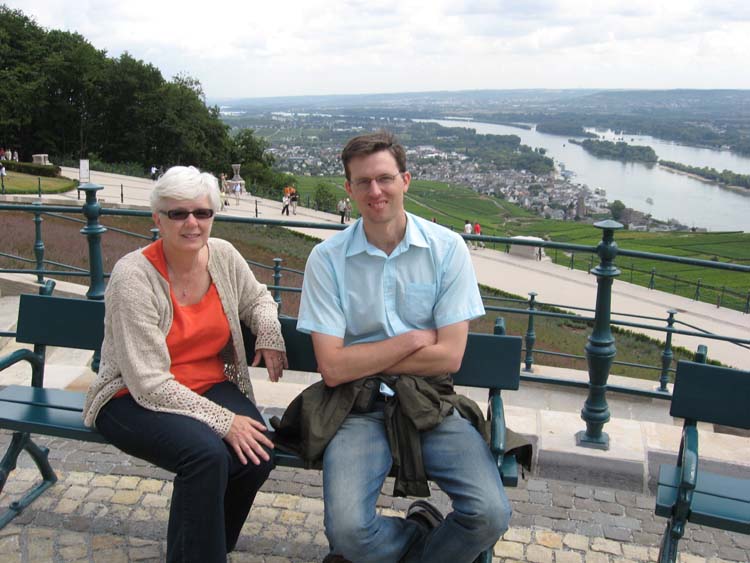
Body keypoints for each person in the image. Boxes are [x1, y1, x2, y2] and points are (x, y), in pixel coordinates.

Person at [291, 131, 511, 562]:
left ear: (405, 180)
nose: (376, 191)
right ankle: (420, 535)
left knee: (490, 515)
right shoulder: (328, 259)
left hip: (430, 404)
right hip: (356, 408)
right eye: (363, 182)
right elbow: (333, 369)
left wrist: (367, 356)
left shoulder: (447, 250)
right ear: (348, 189)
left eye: (385, 178)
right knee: (349, 534)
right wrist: (411, 340)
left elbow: (449, 356)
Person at [82, 165, 288, 563]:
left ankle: (204, 545)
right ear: (157, 218)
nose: (192, 223)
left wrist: (268, 330)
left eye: (202, 212)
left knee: (258, 453)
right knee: (206, 456)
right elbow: (149, 383)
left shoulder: (223, 255)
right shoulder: (133, 276)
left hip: (208, 383)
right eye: (178, 213)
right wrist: (225, 422)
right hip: (130, 396)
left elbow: (258, 298)